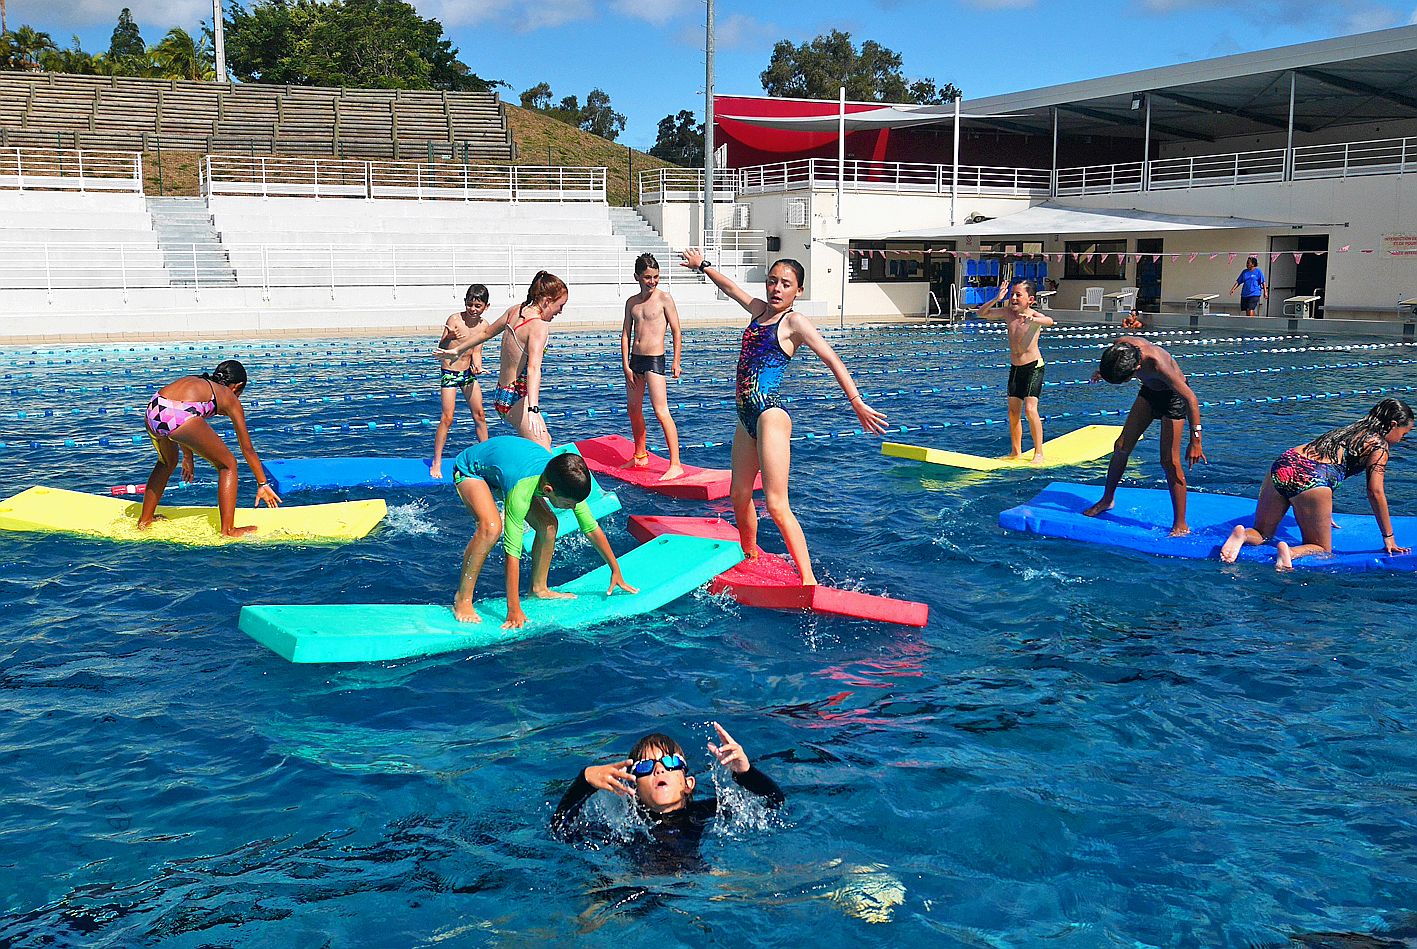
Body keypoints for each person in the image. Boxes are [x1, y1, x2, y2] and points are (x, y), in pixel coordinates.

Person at [678, 249, 888, 585]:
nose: (776, 288)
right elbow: (733, 289)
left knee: (775, 502)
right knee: (739, 494)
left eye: (785, 284)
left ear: (798, 291)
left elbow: (831, 358)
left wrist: (857, 402)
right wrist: (703, 266)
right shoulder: (759, 311)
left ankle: (808, 581)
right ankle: (750, 555)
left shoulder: (794, 322)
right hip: (746, 416)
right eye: (772, 281)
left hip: (770, 414)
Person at [450, 436, 636, 628]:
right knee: (491, 528)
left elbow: (590, 528)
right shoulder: (521, 490)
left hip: (509, 469)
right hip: (471, 470)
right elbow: (512, 552)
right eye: (567, 504)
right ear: (548, 490)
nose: (572, 507)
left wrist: (615, 569)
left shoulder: (564, 480)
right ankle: (462, 599)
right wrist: (513, 609)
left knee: (548, 525)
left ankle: (539, 588)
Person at [550, 722, 783, 872]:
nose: (659, 770)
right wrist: (585, 781)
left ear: (688, 783)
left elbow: (773, 804)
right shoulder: (624, 825)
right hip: (634, 889)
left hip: (700, 882)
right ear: (634, 788)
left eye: (671, 763)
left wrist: (746, 772)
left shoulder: (707, 812)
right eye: (645, 766)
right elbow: (561, 831)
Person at [1220, 399, 1414, 569]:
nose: (1401, 439)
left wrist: (1320, 513)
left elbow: (1328, 462)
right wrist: (1388, 537)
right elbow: (1375, 492)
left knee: (1262, 534)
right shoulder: (1379, 446)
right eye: (1403, 434)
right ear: (1393, 424)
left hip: (1285, 463)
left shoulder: (1347, 431)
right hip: (1313, 481)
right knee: (1321, 548)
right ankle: (1289, 552)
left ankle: (1243, 535)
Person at [138, 359, 281, 537]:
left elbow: (179, 412)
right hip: (177, 415)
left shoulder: (198, 381)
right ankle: (228, 530)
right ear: (237, 387)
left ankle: (145, 520)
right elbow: (247, 449)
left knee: (166, 462)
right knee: (228, 464)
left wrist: (187, 457)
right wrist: (262, 483)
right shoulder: (230, 398)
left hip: (153, 408)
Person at [1083, 338, 1207, 536]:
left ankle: (1181, 524)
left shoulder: (1158, 364)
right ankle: (1107, 500)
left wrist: (1196, 441)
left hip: (1174, 398)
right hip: (1150, 392)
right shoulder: (1121, 347)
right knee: (1121, 446)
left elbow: (1191, 398)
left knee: (1169, 461)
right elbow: (1113, 362)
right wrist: (1105, 372)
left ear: (1137, 367)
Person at [436, 271, 568, 449]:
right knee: (543, 448)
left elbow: (485, 333)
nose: (561, 311)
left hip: (502, 394)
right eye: (560, 305)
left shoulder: (515, 310)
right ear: (546, 301)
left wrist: (458, 349)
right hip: (516, 396)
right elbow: (533, 368)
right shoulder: (539, 326)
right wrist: (533, 410)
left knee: (545, 440)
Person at [620, 253, 685, 481]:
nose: (653, 281)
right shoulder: (632, 302)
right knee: (633, 409)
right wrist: (626, 365)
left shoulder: (664, 299)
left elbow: (677, 330)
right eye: (648, 277)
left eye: (656, 277)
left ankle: (675, 463)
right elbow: (626, 334)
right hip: (635, 361)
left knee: (661, 411)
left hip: (655, 359)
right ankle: (640, 454)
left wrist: (676, 361)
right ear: (637, 276)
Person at [980, 278, 1055, 463]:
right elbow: (982, 313)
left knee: (1030, 410)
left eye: (1018, 295)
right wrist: (997, 297)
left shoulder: (1034, 315)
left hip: (1033, 367)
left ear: (1030, 299)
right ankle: (1016, 452)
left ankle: (1038, 453)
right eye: (1012, 294)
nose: (1013, 298)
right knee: (1013, 412)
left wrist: (1034, 319)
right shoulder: (1007, 312)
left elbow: (1050, 321)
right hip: (1016, 367)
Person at [431, 284, 491, 478]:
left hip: (468, 374)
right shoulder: (455, 319)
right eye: (470, 304)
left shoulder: (484, 326)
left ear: (485, 307)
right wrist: (448, 336)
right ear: (465, 303)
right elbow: (441, 347)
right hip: (450, 372)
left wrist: (478, 366)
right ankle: (436, 462)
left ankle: (486, 459)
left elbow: (477, 351)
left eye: (478, 306)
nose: (473, 309)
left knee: (480, 415)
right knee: (447, 418)